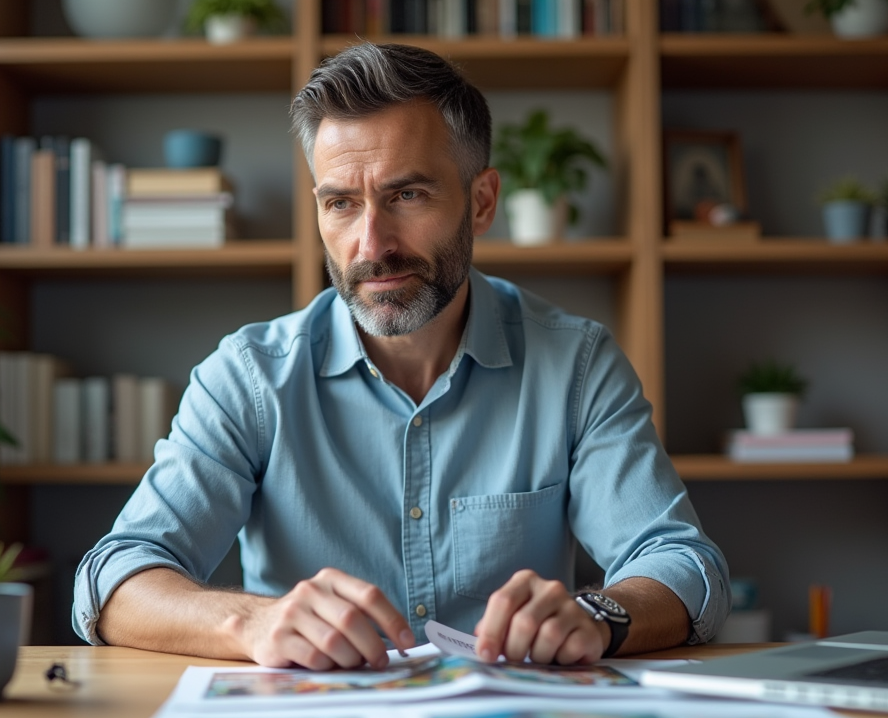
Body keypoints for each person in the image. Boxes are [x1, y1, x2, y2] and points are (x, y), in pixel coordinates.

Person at [72, 43, 729, 671]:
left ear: (481, 202)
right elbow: (113, 580)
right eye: (341, 203)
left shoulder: (576, 364)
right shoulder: (249, 377)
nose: (371, 243)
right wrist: (251, 622)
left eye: (407, 195)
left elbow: (681, 564)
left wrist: (600, 613)